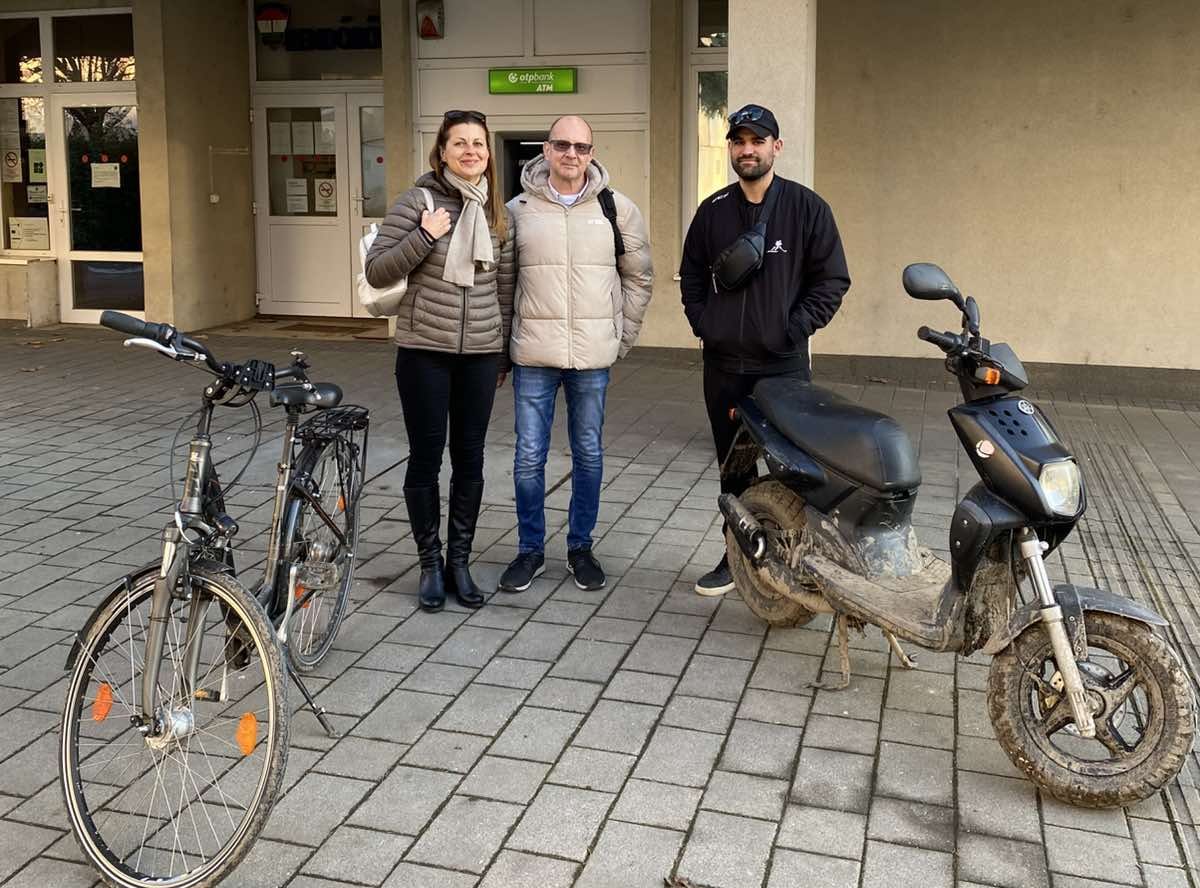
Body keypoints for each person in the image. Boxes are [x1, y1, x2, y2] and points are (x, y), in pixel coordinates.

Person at [680, 103, 851, 596]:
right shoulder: (712, 212)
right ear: (730, 148)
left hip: (782, 368)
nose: (747, 149)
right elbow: (692, 275)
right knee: (733, 469)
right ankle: (737, 556)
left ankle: (798, 558)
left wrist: (791, 329)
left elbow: (832, 280)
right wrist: (703, 322)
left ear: (776, 147)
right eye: (739, 141)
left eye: (758, 140)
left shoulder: (807, 209)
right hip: (723, 365)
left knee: (792, 468)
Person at [364, 109, 515, 613]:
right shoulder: (419, 201)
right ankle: (430, 562)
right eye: (460, 143)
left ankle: (461, 561)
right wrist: (425, 235)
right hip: (424, 352)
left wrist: (503, 350)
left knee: (470, 459)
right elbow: (379, 270)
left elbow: (506, 287)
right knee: (427, 458)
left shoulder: (498, 213)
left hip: (479, 354)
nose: (471, 151)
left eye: (479, 143)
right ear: (443, 151)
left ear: (488, 153)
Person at [499, 115, 653, 593]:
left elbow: (639, 277)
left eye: (582, 147)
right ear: (545, 150)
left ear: (592, 152)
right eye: (562, 145)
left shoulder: (617, 209)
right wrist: (502, 350)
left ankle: (580, 547)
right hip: (533, 358)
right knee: (528, 458)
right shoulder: (517, 210)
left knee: (588, 454)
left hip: (592, 359)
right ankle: (530, 550)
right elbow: (505, 285)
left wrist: (620, 335)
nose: (572, 154)